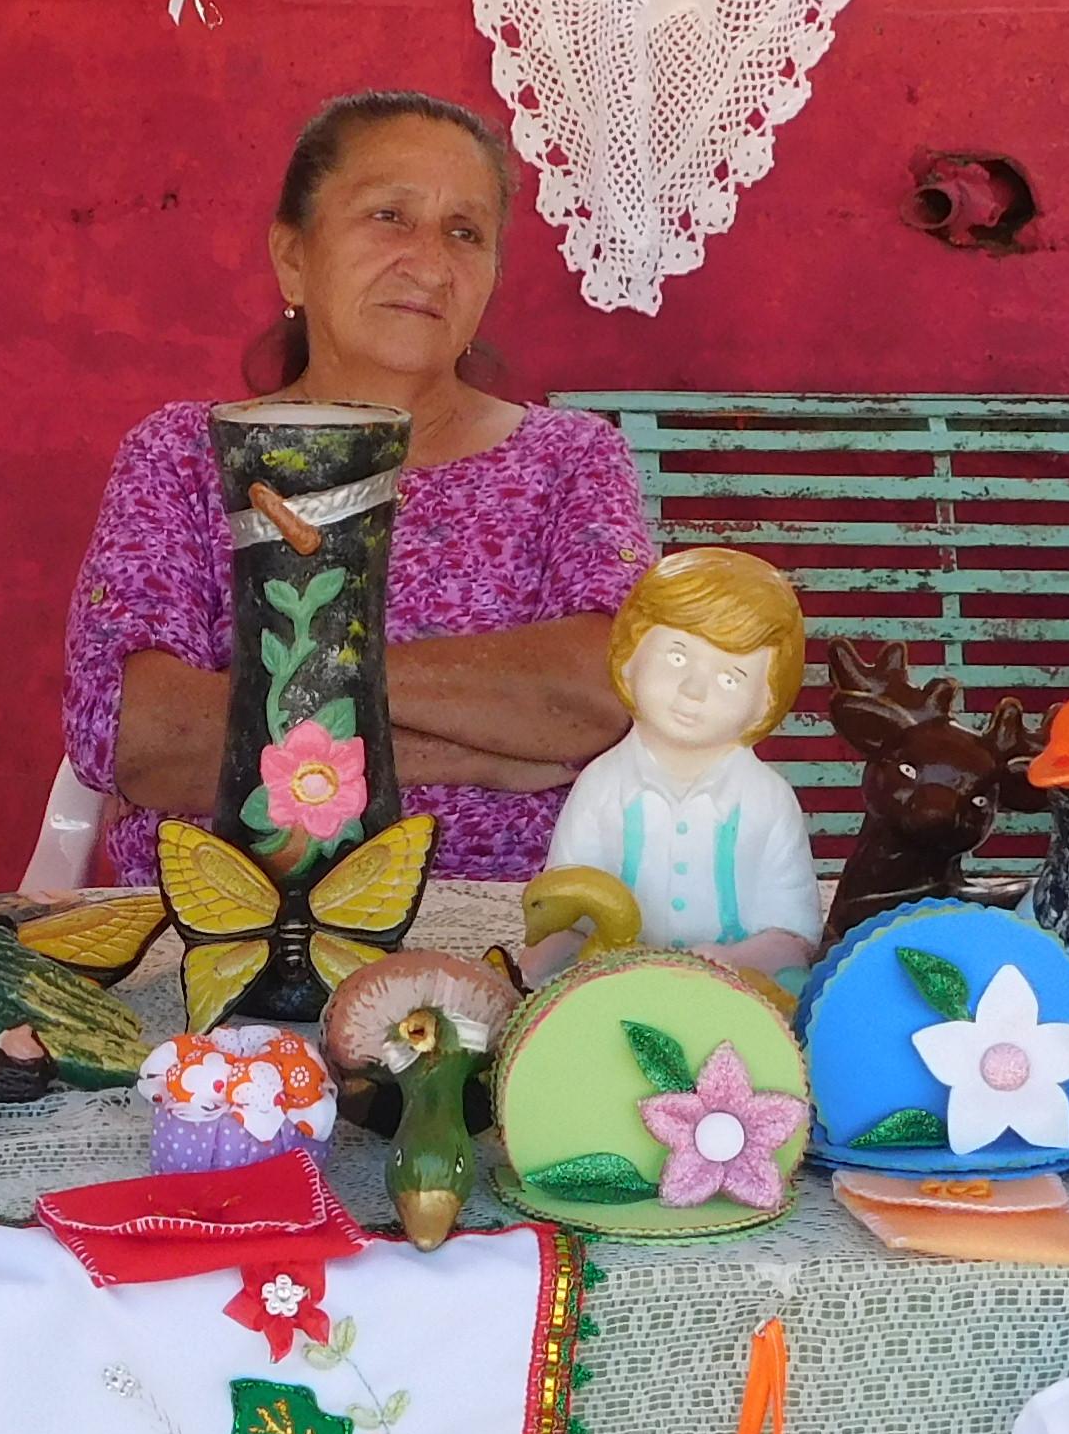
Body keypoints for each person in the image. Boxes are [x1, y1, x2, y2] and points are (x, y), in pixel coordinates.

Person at [60, 91, 653, 883]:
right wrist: (476, 749)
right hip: (223, 935)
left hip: (519, 936)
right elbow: (143, 739)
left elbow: (603, 693)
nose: (431, 262)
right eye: (389, 217)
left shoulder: (572, 459)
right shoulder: (183, 456)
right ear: (293, 256)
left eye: (464, 233)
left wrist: (283, 700)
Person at [536, 548, 824, 973]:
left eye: (730, 678)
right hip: (611, 987)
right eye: (676, 656)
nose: (693, 690)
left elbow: (794, 937)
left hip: (739, 996)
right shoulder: (601, 787)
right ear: (630, 657)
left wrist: (735, 960)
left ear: (765, 703)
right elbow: (562, 912)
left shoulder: (766, 800)